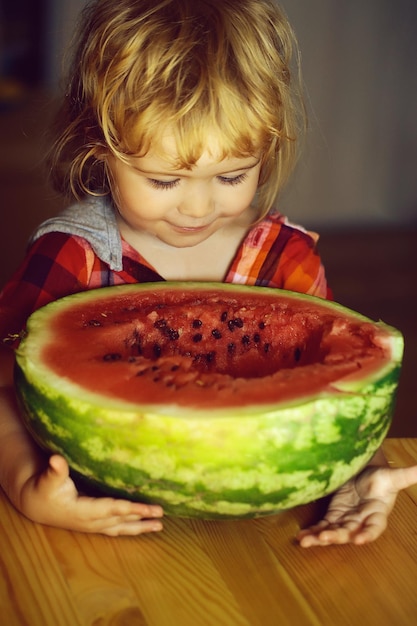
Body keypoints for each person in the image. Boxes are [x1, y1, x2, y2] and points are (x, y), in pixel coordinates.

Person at [1, 0, 416, 544]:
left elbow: (335, 393)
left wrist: (357, 474)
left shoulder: (284, 258)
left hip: (253, 542)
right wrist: (27, 484)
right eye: (165, 181)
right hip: (103, 532)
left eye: (232, 175)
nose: (196, 209)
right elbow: (6, 385)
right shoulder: (75, 256)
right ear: (99, 151)